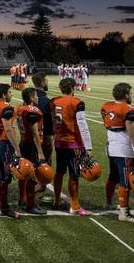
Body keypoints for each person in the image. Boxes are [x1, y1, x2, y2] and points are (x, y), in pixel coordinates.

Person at [101, 83, 134, 223]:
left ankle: (108, 202)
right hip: (124, 149)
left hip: (111, 147)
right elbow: (133, 135)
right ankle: (124, 213)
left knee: (113, 176)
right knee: (125, 181)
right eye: (130, 93)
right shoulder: (129, 110)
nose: (131, 95)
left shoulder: (106, 106)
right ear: (126, 95)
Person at [49, 78, 93, 215]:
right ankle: (74, 205)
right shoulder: (77, 102)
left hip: (59, 141)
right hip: (72, 143)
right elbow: (82, 125)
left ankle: (57, 200)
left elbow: (52, 122)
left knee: (60, 171)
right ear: (73, 88)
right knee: (74, 174)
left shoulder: (54, 101)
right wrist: (88, 147)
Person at [0, 83, 21, 218]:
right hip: (4, 142)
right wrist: (17, 148)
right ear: (3, 94)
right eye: (10, 92)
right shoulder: (5, 107)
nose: (11, 94)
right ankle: (5, 208)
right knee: (6, 176)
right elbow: (7, 129)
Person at [16, 88, 46, 215]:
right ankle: (30, 204)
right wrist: (40, 151)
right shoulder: (33, 111)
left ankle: (22, 199)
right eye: (35, 96)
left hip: (23, 142)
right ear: (31, 97)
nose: (37, 98)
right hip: (31, 144)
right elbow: (34, 133)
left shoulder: (20, 109)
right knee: (31, 175)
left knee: (22, 173)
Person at [32, 73, 53, 198]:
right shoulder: (45, 101)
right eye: (46, 80)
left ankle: (32, 189)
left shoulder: (29, 96)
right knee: (44, 163)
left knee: (33, 161)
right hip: (43, 136)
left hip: (30, 136)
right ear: (42, 83)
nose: (47, 83)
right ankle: (38, 191)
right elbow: (49, 122)